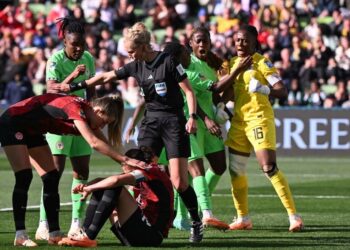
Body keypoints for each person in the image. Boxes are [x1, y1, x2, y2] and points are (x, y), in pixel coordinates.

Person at [51, 22, 203, 243]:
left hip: (173, 122)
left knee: (179, 182)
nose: (130, 56)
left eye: (132, 51)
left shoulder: (168, 61)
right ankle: (138, 216)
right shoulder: (135, 66)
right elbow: (105, 78)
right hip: (151, 123)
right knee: (136, 169)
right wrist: (74, 87)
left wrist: (192, 117)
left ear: (142, 47)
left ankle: (196, 221)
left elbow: (189, 92)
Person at [0, 93, 142, 247]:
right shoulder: (75, 108)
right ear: (98, 110)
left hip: (32, 130)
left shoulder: (89, 114)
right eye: (103, 122)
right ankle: (20, 235)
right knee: (24, 176)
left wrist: (122, 163)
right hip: (12, 122)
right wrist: (125, 159)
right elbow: (94, 142)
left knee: (51, 177)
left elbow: (102, 141)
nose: (102, 127)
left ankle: (54, 234)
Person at [223, 24, 304, 232]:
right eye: (237, 39)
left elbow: (282, 90)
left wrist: (264, 88)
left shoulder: (262, 62)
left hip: (259, 119)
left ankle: (293, 216)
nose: (240, 43)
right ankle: (243, 218)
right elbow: (229, 94)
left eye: (245, 40)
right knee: (236, 170)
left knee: (268, 167)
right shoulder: (231, 63)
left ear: (254, 42)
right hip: (239, 122)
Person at [36, 16, 97, 241]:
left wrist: (93, 111)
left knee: (82, 171)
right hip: (58, 121)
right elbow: (51, 89)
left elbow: (91, 87)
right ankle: (44, 223)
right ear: (65, 42)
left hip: (80, 121)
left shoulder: (88, 58)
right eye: (74, 45)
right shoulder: (55, 59)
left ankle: (75, 224)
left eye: (82, 44)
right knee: (54, 174)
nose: (79, 49)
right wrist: (72, 77)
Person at [58, 146, 174, 247]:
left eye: (124, 163)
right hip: (139, 234)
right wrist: (86, 187)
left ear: (133, 163)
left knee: (115, 186)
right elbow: (103, 181)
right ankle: (83, 234)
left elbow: (115, 181)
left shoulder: (148, 170)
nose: (122, 166)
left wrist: (90, 188)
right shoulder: (142, 172)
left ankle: (88, 237)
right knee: (105, 186)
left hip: (151, 236)